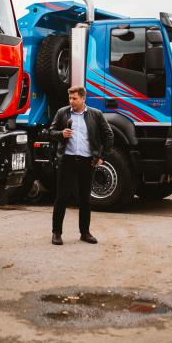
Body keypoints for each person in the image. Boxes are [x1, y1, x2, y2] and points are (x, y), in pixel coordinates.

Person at [49, 85, 113, 245]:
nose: (71, 101)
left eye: (75, 98)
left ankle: (85, 233)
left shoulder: (96, 114)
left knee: (85, 199)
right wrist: (60, 134)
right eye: (70, 98)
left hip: (87, 161)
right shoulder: (62, 113)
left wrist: (102, 156)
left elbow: (108, 134)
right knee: (61, 198)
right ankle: (56, 233)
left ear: (83, 98)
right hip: (67, 160)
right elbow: (50, 131)